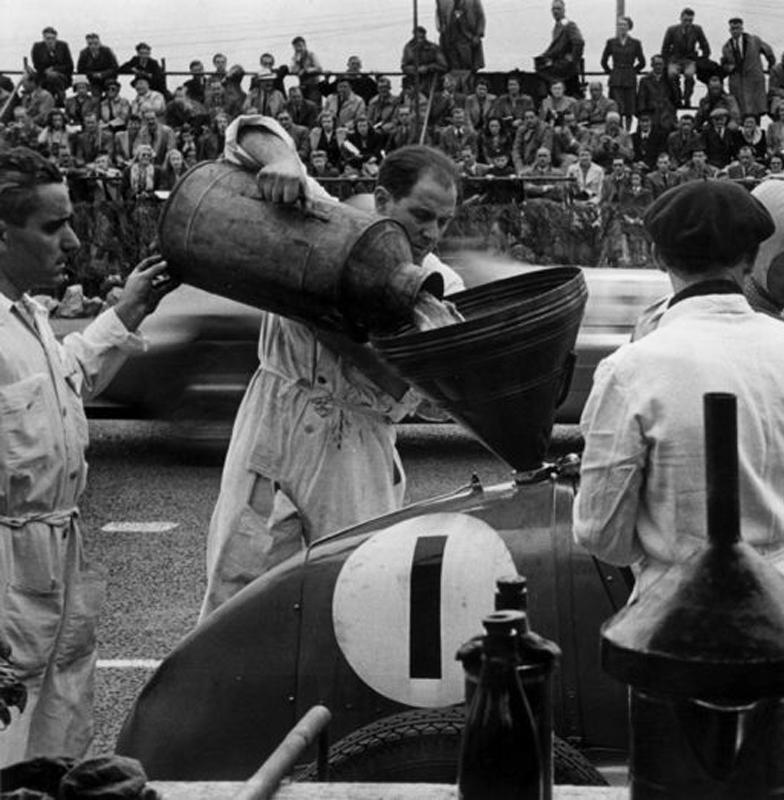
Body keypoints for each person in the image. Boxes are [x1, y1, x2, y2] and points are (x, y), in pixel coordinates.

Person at [573, 179, 784, 721]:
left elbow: (601, 534)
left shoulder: (633, 368)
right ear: (750, 259)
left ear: (658, 256)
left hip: (679, 617)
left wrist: (663, 546)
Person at [199, 118, 465, 618]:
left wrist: (334, 330)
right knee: (237, 591)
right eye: (421, 214)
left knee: (356, 598)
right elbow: (246, 131)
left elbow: (435, 401)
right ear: (383, 201)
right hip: (275, 417)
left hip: (357, 448)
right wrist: (284, 162)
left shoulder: (442, 285)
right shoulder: (328, 221)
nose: (431, 232)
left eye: (444, 221)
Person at [0, 147, 176, 766]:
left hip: (55, 559)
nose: (72, 240)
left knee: (58, 733)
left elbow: (67, 379)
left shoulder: (28, 318)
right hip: (7, 571)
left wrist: (127, 310)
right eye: (53, 226)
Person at [721, 17, 775, 118]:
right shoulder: (726, 47)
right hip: (737, 82)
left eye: (737, 28)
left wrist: (771, 66)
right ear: (730, 30)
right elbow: (724, 64)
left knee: (756, 111)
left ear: (742, 28)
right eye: (733, 29)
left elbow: (769, 52)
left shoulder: (754, 40)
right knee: (740, 111)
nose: (735, 31)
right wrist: (729, 68)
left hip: (754, 79)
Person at [660, 7, 713, 107]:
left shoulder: (697, 29)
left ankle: (687, 98)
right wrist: (666, 62)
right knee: (672, 75)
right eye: (685, 20)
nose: (687, 23)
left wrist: (702, 59)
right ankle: (677, 98)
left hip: (689, 60)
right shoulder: (672, 30)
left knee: (689, 75)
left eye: (690, 20)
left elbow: (705, 45)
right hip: (675, 59)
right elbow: (665, 47)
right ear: (680, 18)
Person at [601, 17, 646, 122]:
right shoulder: (611, 42)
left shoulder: (635, 43)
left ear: (629, 27)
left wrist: (633, 70)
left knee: (630, 107)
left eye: (624, 25)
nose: (622, 27)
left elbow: (642, 62)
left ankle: (629, 130)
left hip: (629, 77)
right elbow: (604, 61)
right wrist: (611, 72)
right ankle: (619, 128)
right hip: (616, 78)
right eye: (620, 25)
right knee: (617, 106)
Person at [537, 0, 585, 97]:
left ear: (564, 10)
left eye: (558, 9)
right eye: (553, 9)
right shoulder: (557, 26)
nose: (555, 11)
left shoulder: (569, 25)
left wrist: (572, 59)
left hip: (566, 70)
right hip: (559, 67)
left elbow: (579, 42)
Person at [437, 0, 486, 87]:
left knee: (468, 66)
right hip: (450, 39)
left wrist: (478, 35)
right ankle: (454, 87)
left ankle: (468, 85)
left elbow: (480, 17)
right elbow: (439, 16)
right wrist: (441, 29)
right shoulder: (443, 2)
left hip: (467, 39)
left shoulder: (473, 1)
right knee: (453, 67)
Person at [30, 27, 74, 99]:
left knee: (53, 77)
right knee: (49, 79)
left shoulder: (63, 46)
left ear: (56, 38)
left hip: (61, 76)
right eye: (48, 38)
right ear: (43, 38)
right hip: (44, 75)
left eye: (53, 38)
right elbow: (36, 64)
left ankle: (59, 99)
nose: (50, 41)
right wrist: (46, 71)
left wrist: (54, 69)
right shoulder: (37, 47)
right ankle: (57, 100)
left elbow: (70, 66)